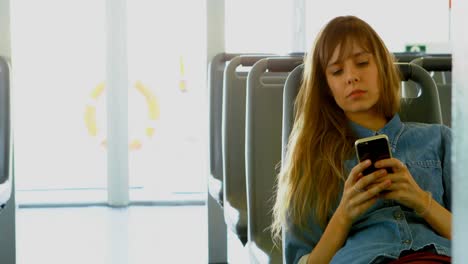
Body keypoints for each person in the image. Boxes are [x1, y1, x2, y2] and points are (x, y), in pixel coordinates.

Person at [271, 16, 452, 264]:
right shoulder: (312, 159)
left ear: (382, 68)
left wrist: (421, 200)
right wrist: (344, 215)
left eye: (362, 63)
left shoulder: (439, 140)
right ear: (327, 87)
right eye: (337, 71)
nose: (351, 77)